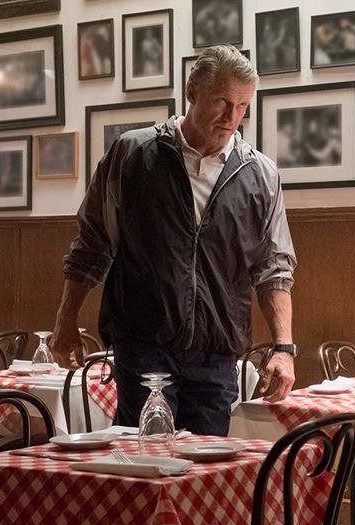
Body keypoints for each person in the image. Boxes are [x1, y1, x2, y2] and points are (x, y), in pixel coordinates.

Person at [51, 45, 297, 437]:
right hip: (144, 348)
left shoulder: (260, 174)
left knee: (207, 468)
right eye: (221, 101)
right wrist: (65, 322)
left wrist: (283, 348)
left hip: (217, 355)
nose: (232, 117)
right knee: (144, 462)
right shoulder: (132, 154)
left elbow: (274, 268)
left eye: (242, 106)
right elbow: (91, 246)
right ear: (192, 91)